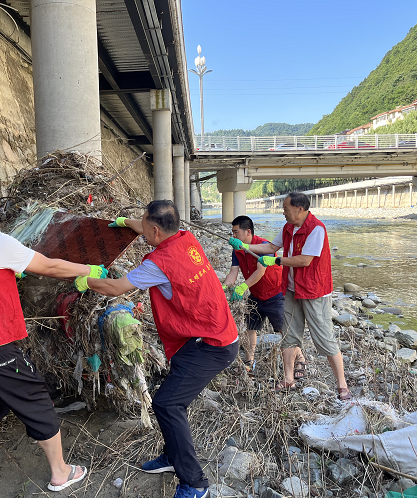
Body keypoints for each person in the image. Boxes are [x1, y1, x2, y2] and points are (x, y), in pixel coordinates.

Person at [0, 181, 105, 493]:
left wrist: (7, 271)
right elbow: (50, 266)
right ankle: (61, 472)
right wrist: (89, 269)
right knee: (38, 402)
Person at [79, 200, 239, 498]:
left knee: (167, 404)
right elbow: (147, 227)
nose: (143, 228)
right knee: (173, 395)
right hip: (202, 335)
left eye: (144, 225)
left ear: (155, 229)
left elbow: (114, 288)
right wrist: (125, 222)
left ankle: (195, 483)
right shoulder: (185, 239)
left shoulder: (158, 264)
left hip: (212, 345)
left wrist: (81, 279)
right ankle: (172, 456)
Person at [229, 192, 351, 400]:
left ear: (300, 209)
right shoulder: (288, 228)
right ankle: (288, 379)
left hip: (314, 291)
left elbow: (304, 261)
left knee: (325, 338)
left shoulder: (316, 229)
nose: (283, 212)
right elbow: (271, 247)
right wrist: (246, 247)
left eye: (285, 209)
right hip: (292, 290)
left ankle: (342, 385)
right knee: (288, 335)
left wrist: (276, 262)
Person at [222, 215, 284, 372]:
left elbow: (260, 271)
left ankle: (299, 360)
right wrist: (224, 288)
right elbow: (233, 273)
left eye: (236, 232)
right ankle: (250, 362)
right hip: (256, 294)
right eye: (232, 232)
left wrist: (242, 287)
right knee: (251, 327)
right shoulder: (237, 250)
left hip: (275, 294)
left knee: (284, 329)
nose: (233, 236)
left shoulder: (264, 246)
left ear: (248, 232)